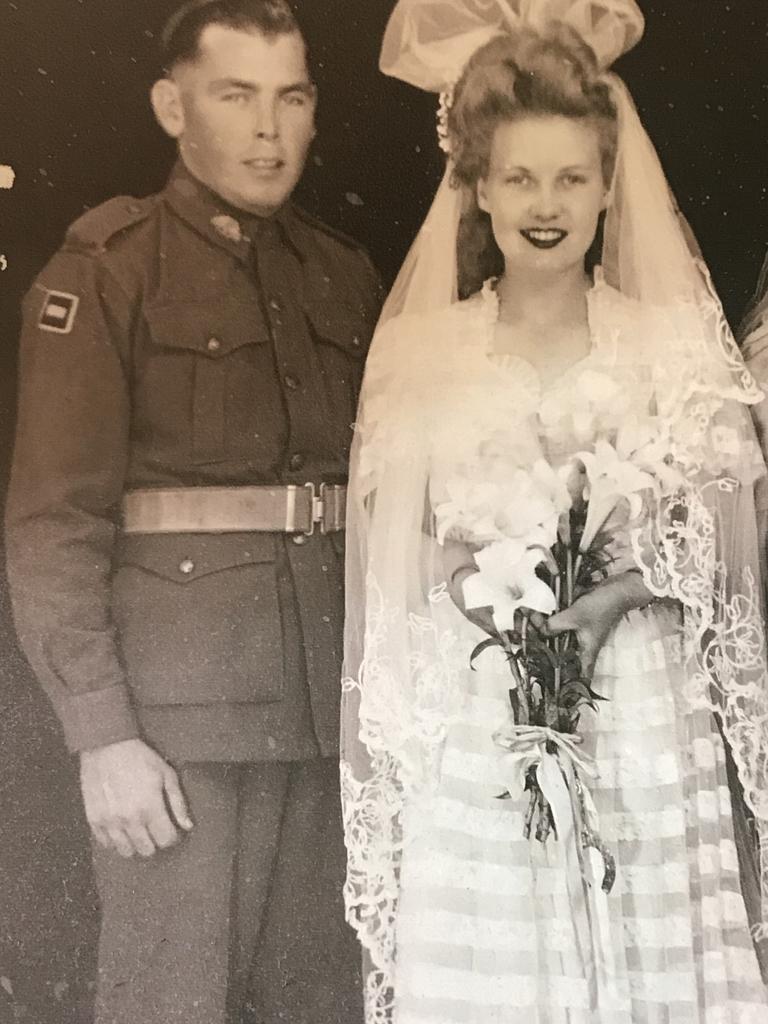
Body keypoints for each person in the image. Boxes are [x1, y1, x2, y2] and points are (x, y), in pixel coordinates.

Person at [341, 1, 768, 1020]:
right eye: (521, 176)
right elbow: (398, 552)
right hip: (483, 713)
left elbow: (724, 539)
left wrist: (619, 591)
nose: (547, 203)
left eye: (573, 177)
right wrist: (479, 593)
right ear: (478, 186)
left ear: (609, 187)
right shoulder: (420, 354)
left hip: (643, 717)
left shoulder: (667, 346)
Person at [5, 2, 381, 1022]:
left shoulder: (344, 277)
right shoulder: (108, 270)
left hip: (328, 722)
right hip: (175, 742)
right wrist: (101, 737)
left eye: (291, 97)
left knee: (322, 1007)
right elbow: (52, 526)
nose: (269, 130)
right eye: (236, 96)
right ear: (174, 108)